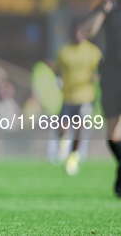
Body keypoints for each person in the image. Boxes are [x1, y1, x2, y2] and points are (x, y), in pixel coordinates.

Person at [83, 0, 121, 196]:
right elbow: (87, 32)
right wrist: (105, 7)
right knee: (113, 134)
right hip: (112, 73)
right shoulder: (108, 7)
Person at [54, 23, 101, 175]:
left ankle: (73, 157)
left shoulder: (92, 51)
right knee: (62, 127)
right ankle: (64, 145)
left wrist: (94, 77)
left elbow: (100, 70)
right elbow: (58, 69)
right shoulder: (64, 51)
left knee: (80, 128)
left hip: (85, 96)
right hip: (68, 96)